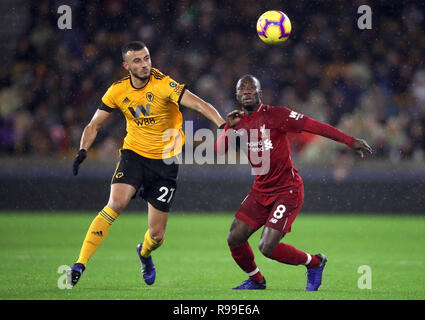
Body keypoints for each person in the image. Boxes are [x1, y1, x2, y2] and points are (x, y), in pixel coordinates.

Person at [67, 41, 225, 287]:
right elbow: (94, 124)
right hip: (134, 156)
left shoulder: (164, 84)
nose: (144, 65)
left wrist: (222, 125)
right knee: (115, 204)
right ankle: (80, 263)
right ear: (126, 65)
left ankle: (144, 252)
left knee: (157, 236)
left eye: (147, 58)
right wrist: (82, 150)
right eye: (138, 61)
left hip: (165, 162)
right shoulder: (117, 91)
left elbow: (199, 104)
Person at [215, 75, 372, 291]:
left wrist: (349, 141)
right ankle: (256, 280)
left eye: (252, 89)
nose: (247, 92)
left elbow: (315, 126)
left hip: (287, 190)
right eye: (243, 89)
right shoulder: (238, 122)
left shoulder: (278, 115)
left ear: (260, 93)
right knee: (234, 238)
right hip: (260, 190)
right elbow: (219, 151)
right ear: (237, 95)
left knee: (267, 247)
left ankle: (315, 262)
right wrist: (227, 127)